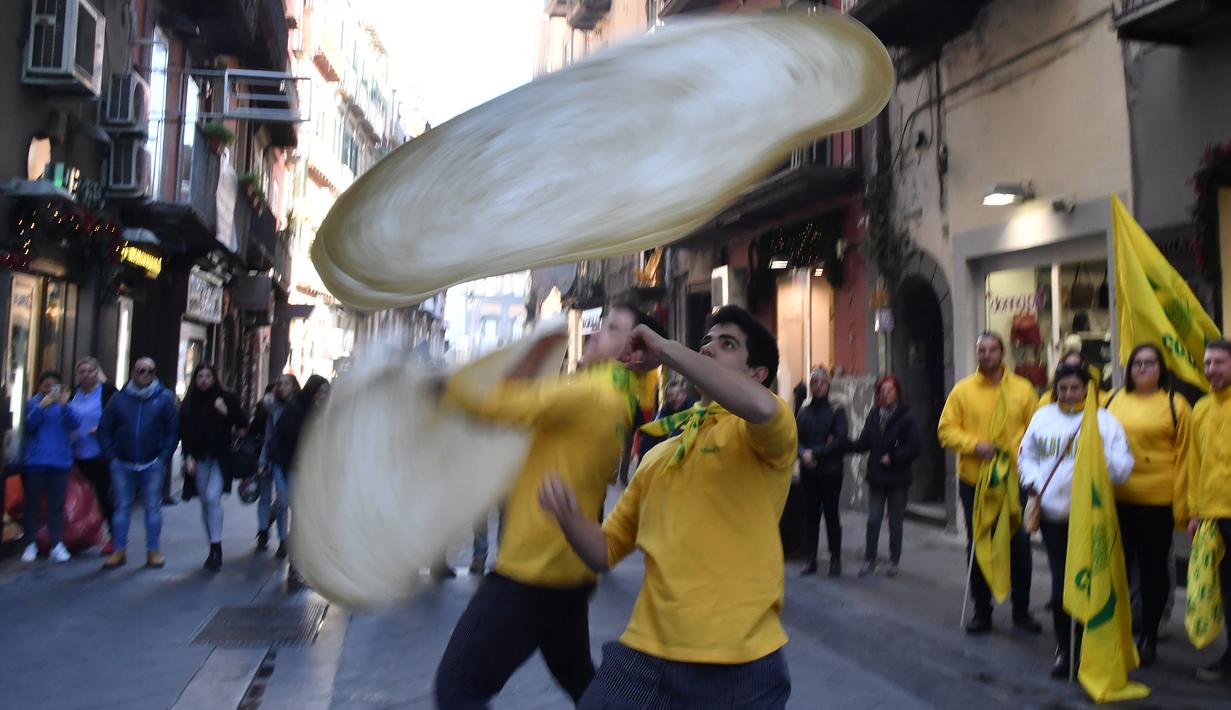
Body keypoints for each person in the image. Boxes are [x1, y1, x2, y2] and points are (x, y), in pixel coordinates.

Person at [540, 305, 797, 709]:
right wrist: (568, 515)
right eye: (706, 341)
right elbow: (605, 551)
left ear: (757, 374)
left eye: (726, 344)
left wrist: (666, 349)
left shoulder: (762, 431)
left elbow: (762, 409)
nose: (709, 348)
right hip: (643, 656)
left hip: (741, 664)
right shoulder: (658, 455)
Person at [434, 303, 659, 709]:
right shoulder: (615, 401)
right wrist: (538, 346)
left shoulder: (591, 393)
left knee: (457, 687)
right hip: (568, 571)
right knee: (582, 684)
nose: (593, 334)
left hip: (531, 572)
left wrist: (437, 385)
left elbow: (493, 407)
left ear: (632, 352)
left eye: (610, 329)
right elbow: (515, 402)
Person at [1018, 362, 1133, 678]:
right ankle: (1065, 649)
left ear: (1088, 389)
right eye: (1063, 388)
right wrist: (1032, 482)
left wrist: (1097, 458)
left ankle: (1091, 645)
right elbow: (1026, 455)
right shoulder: (1042, 417)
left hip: (1093, 519)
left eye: (1075, 388)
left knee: (1091, 581)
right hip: (1055, 517)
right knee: (1060, 589)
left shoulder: (1104, 422)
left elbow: (1124, 468)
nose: (1068, 394)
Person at [938, 332, 1043, 634]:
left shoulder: (1023, 390)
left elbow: (1036, 431)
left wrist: (1017, 449)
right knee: (978, 543)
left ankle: (1021, 610)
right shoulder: (962, 391)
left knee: (1020, 546)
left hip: (1015, 480)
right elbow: (946, 431)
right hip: (975, 482)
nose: (986, 354)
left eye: (992, 349)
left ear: (1003, 352)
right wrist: (974, 445)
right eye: (981, 349)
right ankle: (981, 611)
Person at [1104, 343, 1190, 666]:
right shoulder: (1111, 401)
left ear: (1161, 368)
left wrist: (1183, 505)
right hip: (1117, 501)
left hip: (1157, 502)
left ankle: (1149, 636)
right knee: (1117, 569)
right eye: (1137, 363)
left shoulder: (1175, 404)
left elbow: (1185, 457)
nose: (1142, 368)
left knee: (1154, 572)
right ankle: (1118, 630)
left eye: (1149, 363)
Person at [98, 358, 179, 570]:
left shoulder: (164, 399)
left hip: (152, 462)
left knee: (152, 508)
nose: (145, 374)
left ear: (155, 374)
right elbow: (104, 428)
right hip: (122, 462)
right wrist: (112, 457)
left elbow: (172, 430)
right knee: (121, 508)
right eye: (141, 370)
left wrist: (163, 457)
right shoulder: (119, 399)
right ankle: (119, 550)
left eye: (150, 371)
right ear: (133, 372)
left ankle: (153, 551)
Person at [1186, 339, 1231, 681]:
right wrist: (1195, 512)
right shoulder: (1200, 408)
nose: (1211, 370)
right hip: (1214, 517)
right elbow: (1194, 464)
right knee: (1226, 590)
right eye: (1207, 364)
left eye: (1218, 363)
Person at [849, 374, 921, 578]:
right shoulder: (873, 416)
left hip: (898, 477)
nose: (886, 394)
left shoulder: (906, 417)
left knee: (895, 521)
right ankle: (869, 559)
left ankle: (893, 560)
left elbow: (915, 446)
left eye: (890, 390)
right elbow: (863, 443)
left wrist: (895, 457)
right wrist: (842, 445)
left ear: (897, 392)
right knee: (873, 519)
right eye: (882, 390)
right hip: (878, 477)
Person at [179, 364, 247, 572]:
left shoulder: (226, 398)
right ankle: (212, 546)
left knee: (211, 498)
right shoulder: (189, 402)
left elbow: (243, 422)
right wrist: (187, 457)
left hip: (220, 458)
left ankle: (216, 547)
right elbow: (185, 432)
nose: (204, 380)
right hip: (199, 458)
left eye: (208, 376)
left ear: (214, 378)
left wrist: (225, 412)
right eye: (200, 376)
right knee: (205, 504)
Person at [272, 374, 331, 586]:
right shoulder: (296, 409)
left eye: (326, 392)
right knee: (297, 515)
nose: (323, 396)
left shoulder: (321, 412)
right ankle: (295, 568)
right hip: (291, 467)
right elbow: (285, 436)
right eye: (320, 391)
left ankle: (296, 567)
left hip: (306, 470)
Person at [19, 371, 81, 563]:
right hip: (35, 462)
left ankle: (57, 544)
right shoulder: (31, 404)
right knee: (32, 505)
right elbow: (27, 426)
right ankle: (30, 543)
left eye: (54, 387)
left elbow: (75, 424)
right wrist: (40, 407)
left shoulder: (64, 407)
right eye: (46, 386)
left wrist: (64, 406)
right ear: (39, 387)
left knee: (56, 506)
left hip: (59, 462)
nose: (50, 390)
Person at [795, 366, 848, 576]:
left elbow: (839, 440)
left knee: (832, 515)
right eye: (814, 383)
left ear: (828, 385)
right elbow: (795, 436)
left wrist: (813, 453)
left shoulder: (837, 409)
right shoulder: (804, 409)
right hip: (809, 472)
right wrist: (802, 453)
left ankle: (836, 559)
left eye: (821, 382)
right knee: (810, 516)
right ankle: (810, 559)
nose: (817, 386)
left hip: (831, 471)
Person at [69, 356, 118, 554]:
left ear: (97, 372)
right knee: (78, 498)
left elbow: (120, 419)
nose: (86, 375)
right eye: (82, 371)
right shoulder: (72, 393)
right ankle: (81, 536)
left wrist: (104, 429)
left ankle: (114, 537)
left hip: (100, 454)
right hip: (75, 454)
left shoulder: (108, 392)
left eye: (90, 371)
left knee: (104, 496)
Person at [257, 374, 299, 555]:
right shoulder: (271, 407)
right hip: (274, 459)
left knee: (285, 500)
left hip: (290, 460)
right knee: (274, 499)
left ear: (294, 387)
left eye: (286, 384)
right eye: (279, 383)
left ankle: (277, 533)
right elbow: (268, 436)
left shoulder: (298, 408)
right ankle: (274, 535)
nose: (282, 387)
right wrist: (263, 461)